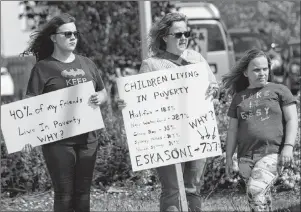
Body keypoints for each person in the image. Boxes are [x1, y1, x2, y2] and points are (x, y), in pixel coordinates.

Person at [118, 12, 219, 212]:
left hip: (197, 131)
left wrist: (213, 92)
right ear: (165, 37)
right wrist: (126, 104)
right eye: (178, 34)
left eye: (186, 33)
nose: (184, 38)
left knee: (193, 187)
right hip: (167, 136)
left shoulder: (196, 58)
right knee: (172, 189)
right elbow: (139, 100)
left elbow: (213, 86)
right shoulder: (151, 64)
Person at [22, 13, 107, 212]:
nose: (73, 38)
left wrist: (100, 98)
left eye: (75, 34)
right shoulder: (42, 68)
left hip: (88, 138)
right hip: (58, 141)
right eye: (67, 33)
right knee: (64, 194)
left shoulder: (87, 63)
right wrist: (26, 133)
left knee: (83, 193)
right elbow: (30, 102)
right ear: (53, 38)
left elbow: (102, 91)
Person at [222, 48, 298, 212]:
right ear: (245, 72)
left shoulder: (280, 90)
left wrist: (288, 147)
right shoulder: (239, 97)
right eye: (256, 70)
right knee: (259, 198)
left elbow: (292, 120)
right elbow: (233, 130)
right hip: (246, 158)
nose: (262, 73)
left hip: (272, 152)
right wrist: (229, 157)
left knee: (256, 190)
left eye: (265, 69)